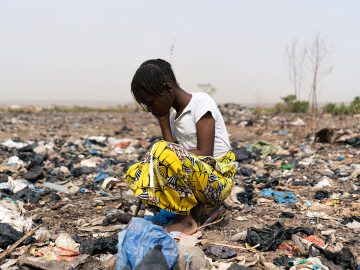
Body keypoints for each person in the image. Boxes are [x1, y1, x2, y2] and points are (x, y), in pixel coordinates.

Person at [125, 59, 236, 234]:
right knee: (138, 170)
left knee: (161, 152)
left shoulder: (201, 102)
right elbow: (172, 162)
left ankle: (186, 220)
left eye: (150, 102)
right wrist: (163, 120)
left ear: (168, 90)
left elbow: (205, 153)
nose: (150, 109)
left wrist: (166, 153)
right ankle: (191, 211)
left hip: (218, 180)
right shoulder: (172, 118)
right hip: (199, 179)